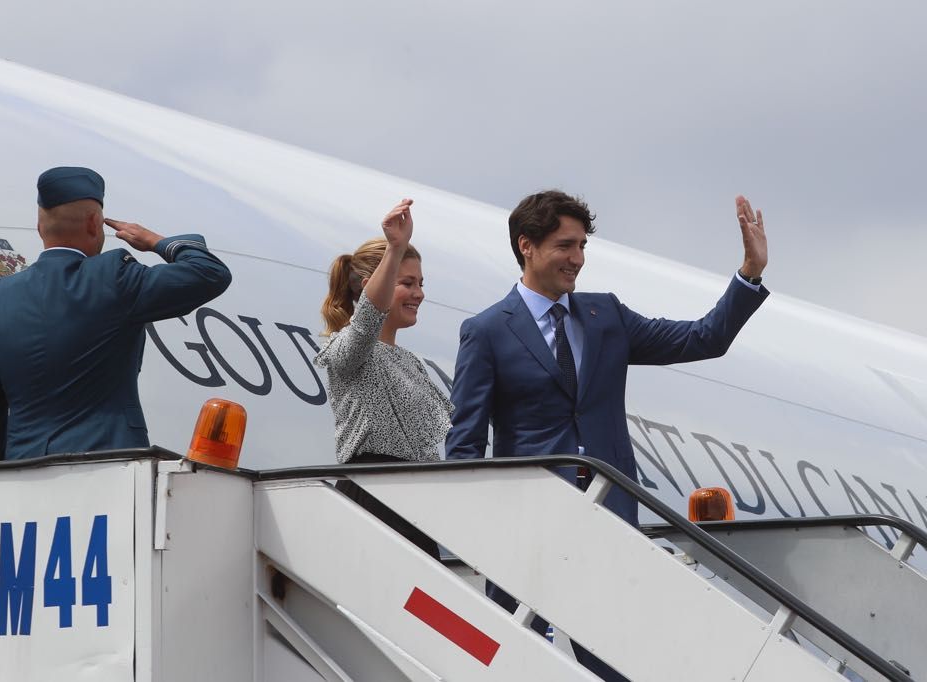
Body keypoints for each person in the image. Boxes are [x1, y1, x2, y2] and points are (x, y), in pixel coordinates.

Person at [445, 190, 769, 681]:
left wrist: (749, 273)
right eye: (565, 245)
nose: (577, 259)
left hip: (608, 515)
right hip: (527, 522)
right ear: (526, 245)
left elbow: (703, 337)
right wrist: (473, 528)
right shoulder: (486, 331)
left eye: (582, 246)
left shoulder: (606, 316)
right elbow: (465, 443)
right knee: (514, 659)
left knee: (617, 659)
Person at [0, 166, 232, 462]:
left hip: (23, 469)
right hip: (107, 466)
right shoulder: (113, 278)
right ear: (94, 223)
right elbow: (209, 273)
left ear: (39, 227)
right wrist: (154, 240)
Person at [314, 199, 453, 559]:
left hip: (415, 503)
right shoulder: (349, 347)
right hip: (372, 494)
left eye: (420, 283)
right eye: (407, 282)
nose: (419, 293)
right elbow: (366, 321)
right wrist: (395, 248)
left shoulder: (411, 362)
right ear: (370, 285)